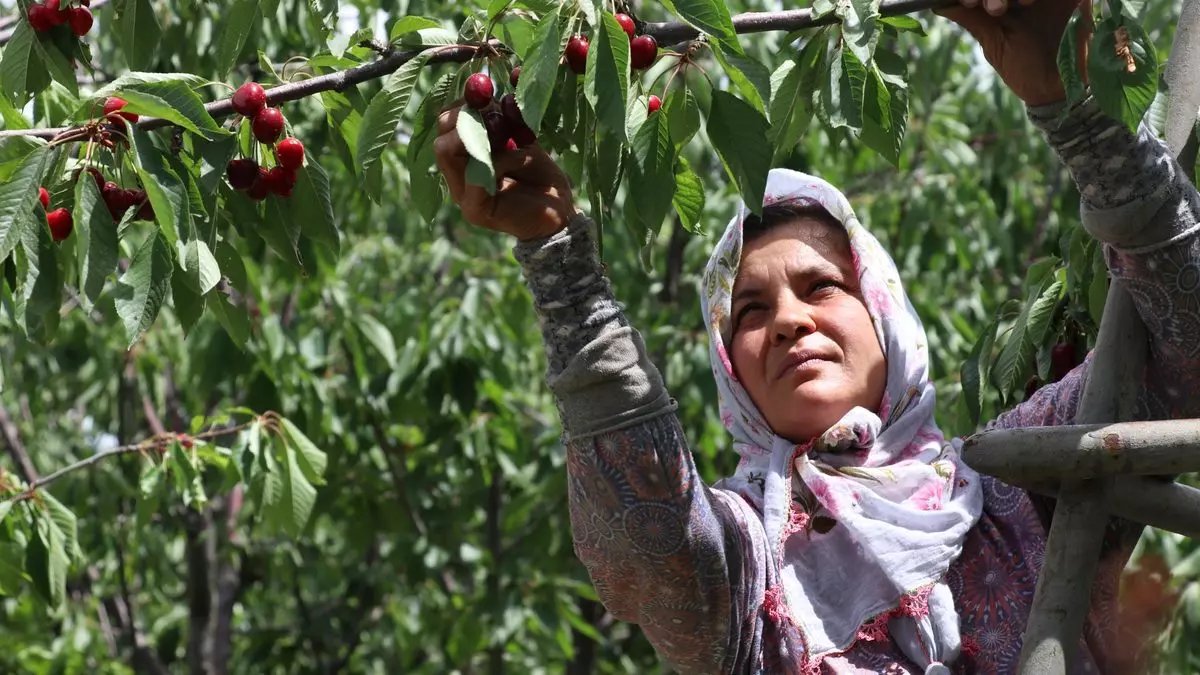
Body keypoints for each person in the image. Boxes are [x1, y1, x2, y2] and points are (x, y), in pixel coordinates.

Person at [434, 0, 1200, 670]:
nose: (790, 321)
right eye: (751, 312)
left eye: (822, 287)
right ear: (730, 370)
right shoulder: (746, 567)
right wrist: (561, 262)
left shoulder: (1012, 486)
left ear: (885, 316)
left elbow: (1186, 342)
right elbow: (647, 536)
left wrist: (1078, 112)